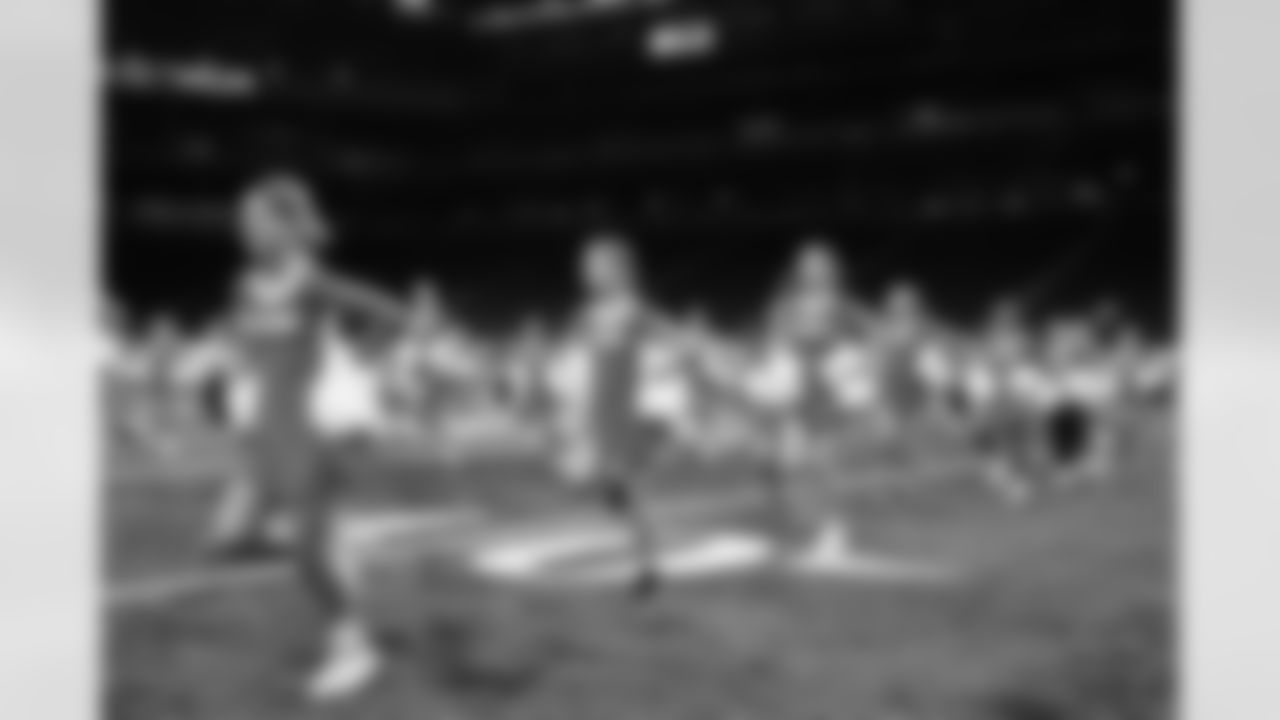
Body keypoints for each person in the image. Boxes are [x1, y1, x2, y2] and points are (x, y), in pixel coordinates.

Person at [195, 171, 410, 702]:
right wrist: (224, 375)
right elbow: (245, 346)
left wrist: (357, 362)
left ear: (285, 227)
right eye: (241, 219)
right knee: (225, 541)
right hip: (264, 435)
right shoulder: (245, 286)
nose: (243, 228)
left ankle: (355, 650)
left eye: (254, 219)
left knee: (308, 556)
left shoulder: (311, 283)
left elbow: (392, 315)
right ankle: (327, 545)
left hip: (311, 434)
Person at [546, 233, 672, 597]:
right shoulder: (588, 313)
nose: (586, 272)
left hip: (623, 412)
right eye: (586, 266)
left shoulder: (632, 308)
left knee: (629, 490)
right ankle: (625, 514)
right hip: (596, 409)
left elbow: (665, 337)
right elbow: (571, 353)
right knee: (591, 482)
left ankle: (648, 568)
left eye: (594, 265)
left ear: (617, 270)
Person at [755, 240, 872, 573]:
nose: (814, 271)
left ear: (831, 270)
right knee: (784, 464)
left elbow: (865, 340)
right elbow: (775, 341)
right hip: (794, 389)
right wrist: (775, 374)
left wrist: (852, 372)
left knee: (823, 463)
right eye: (808, 265)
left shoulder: (842, 305)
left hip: (824, 390)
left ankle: (831, 531)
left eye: (821, 265)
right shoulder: (787, 305)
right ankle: (804, 528)